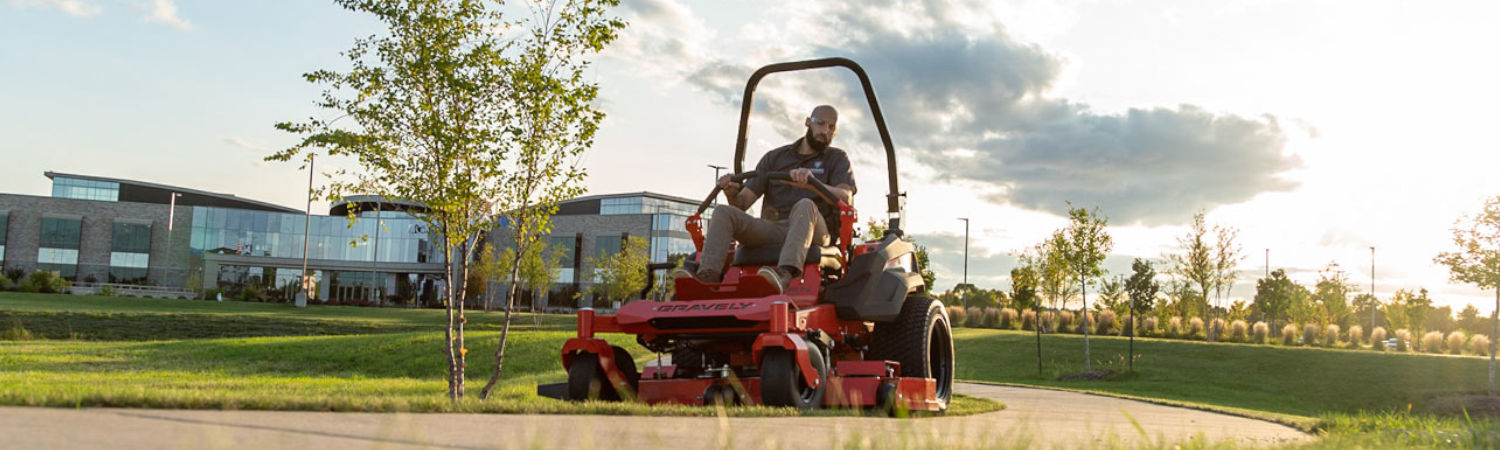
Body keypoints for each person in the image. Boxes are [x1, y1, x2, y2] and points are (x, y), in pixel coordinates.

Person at [675, 105, 856, 292]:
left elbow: (846, 197)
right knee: (723, 212)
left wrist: (813, 184)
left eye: (831, 127)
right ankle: (707, 277)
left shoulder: (837, 158)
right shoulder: (775, 158)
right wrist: (730, 192)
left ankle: (784, 274)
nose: (825, 131)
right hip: (774, 228)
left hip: (816, 231)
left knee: (804, 205)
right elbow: (741, 203)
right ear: (808, 122)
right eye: (820, 123)